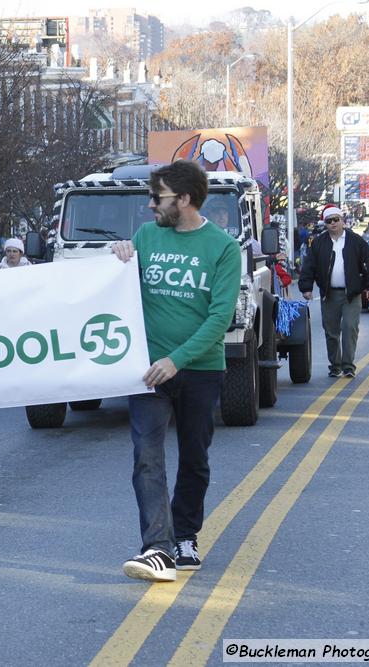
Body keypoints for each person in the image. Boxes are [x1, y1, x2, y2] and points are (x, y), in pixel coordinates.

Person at [111, 160, 241, 583]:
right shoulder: (147, 236)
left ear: (183, 200)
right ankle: (157, 547)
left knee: (194, 458)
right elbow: (116, 288)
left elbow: (220, 318)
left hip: (199, 369)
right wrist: (117, 255)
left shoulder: (222, 247)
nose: (151, 206)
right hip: (147, 370)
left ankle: (186, 535)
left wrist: (177, 360)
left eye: (158, 198)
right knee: (146, 457)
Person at [298, 206, 369, 378]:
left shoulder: (356, 241)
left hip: (352, 294)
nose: (333, 223)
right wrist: (306, 287)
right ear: (325, 223)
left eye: (336, 219)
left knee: (350, 327)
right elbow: (309, 266)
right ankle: (335, 365)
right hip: (329, 294)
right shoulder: (319, 243)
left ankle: (348, 365)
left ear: (342, 220)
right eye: (329, 221)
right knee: (331, 331)